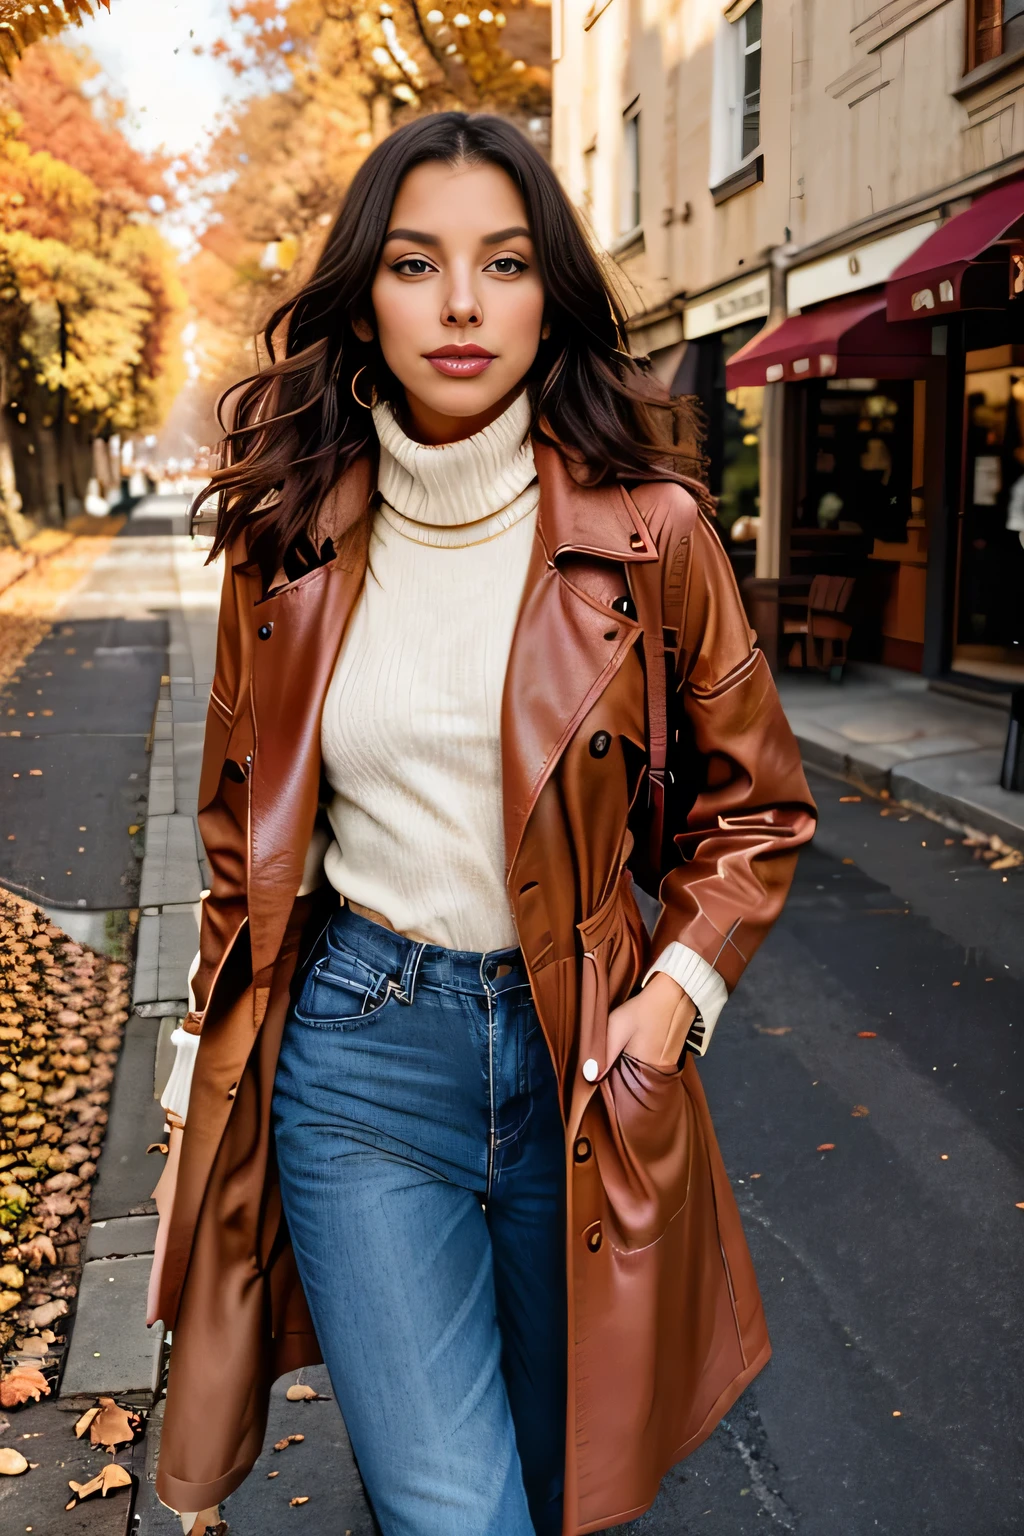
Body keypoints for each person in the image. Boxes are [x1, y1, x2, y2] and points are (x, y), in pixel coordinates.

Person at [148, 112, 816, 1536]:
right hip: (358, 1062)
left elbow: (755, 806)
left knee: (563, 1477)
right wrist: (201, 1067)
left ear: (549, 289)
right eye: (415, 262)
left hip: (583, 1057)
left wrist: (675, 998)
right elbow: (237, 822)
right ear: (364, 293)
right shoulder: (291, 534)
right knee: (456, 1506)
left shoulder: (653, 532)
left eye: (503, 263)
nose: (460, 305)